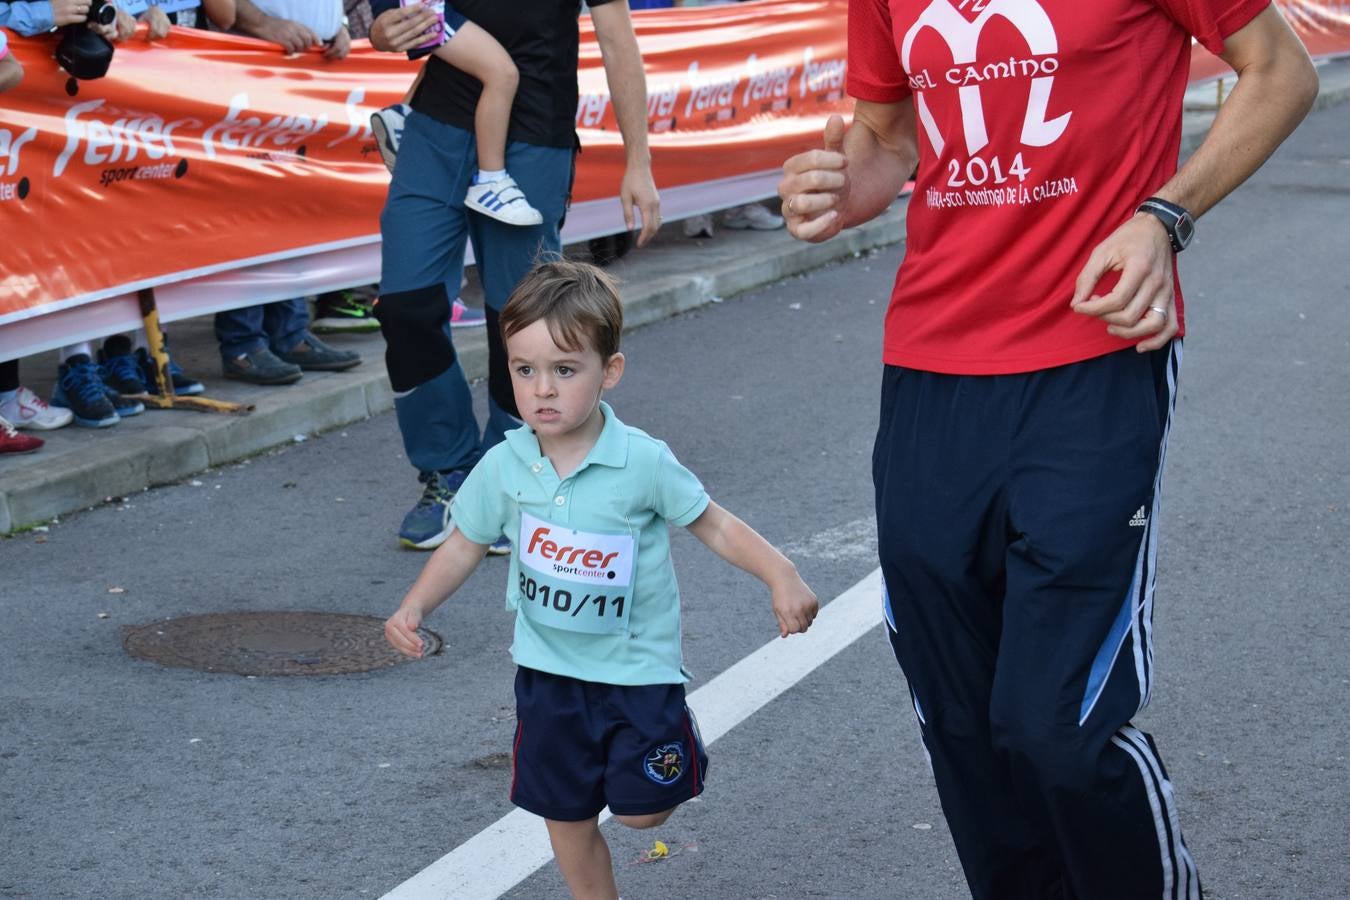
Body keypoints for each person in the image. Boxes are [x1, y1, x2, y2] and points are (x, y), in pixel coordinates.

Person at [779, 3, 1316, 898]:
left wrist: (1165, 217)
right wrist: (843, 186)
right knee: (959, 717)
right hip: (931, 365)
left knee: (1057, 728)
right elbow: (888, 134)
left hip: (1094, 359)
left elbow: (1282, 71)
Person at [384, 258, 819, 899]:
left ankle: (677, 745)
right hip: (549, 674)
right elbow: (466, 541)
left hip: (637, 674)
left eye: (564, 370)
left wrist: (780, 574)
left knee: (644, 811)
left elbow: (714, 523)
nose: (543, 390)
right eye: (524, 370)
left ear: (608, 372)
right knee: (564, 812)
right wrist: (414, 606)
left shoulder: (640, 460)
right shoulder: (505, 464)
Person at [367, 0, 660, 551]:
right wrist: (382, 27)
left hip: (533, 140)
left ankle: (512, 474)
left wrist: (638, 161)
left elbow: (619, 43)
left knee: (523, 324)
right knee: (406, 307)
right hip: (433, 131)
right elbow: (394, 12)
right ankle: (447, 472)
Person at [369, 8, 542, 226]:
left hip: (425, 8)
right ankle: (490, 179)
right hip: (423, 8)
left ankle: (401, 113)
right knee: (502, 74)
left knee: (463, 55)